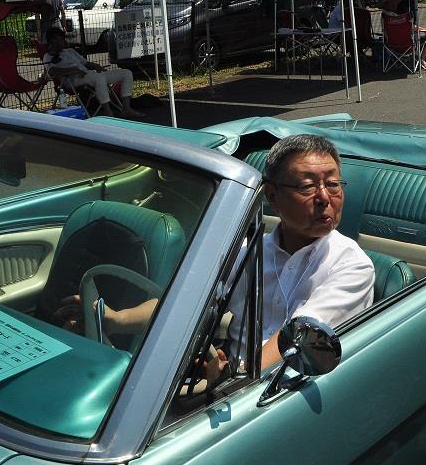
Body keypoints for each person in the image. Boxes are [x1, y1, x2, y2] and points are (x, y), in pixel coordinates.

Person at [80, 134, 375, 375]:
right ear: (272, 196)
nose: (324, 197)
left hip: (284, 388)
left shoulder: (351, 265)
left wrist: (235, 377)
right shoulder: (249, 252)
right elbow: (189, 301)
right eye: (308, 186)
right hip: (234, 380)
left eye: (333, 184)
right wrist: (117, 319)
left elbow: (296, 341)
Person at [42, 27, 143, 119]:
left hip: (89, 75)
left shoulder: (70, 51)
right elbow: (52, 71)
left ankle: (126, 109)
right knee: (99, 78)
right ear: (53, 40)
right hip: (72, 80)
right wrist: (74, 70)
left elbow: (86, 63)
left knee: (126, 73)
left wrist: (97, 66)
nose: (64, 41)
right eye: (61, 39)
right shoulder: (48, 56)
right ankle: (109, 113)